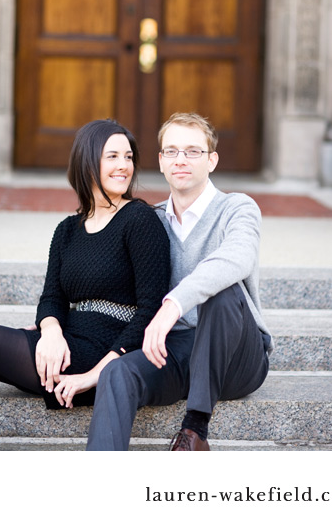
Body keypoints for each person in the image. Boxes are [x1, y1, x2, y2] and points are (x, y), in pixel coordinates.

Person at [86, 112, 273, 451]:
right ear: (161, 161)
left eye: (193, 151)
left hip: (237, 356)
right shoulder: (151, 220)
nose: (181, 160)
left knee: (223, 289)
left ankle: (195, 430)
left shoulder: (237, 208)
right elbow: (112, 284)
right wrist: (50, 323)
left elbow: (237, 258)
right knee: (117, 373)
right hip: (177, 351)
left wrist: (174, 303)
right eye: (171, 151)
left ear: (212, 160)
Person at [0, 119, 170, 411]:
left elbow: (150, 311)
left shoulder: (140, 220)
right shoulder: (67, 230)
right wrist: (50, 331)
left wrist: (95, 375)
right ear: (87, 162)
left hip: (106, 351)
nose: (124, 166)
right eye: (112, 156)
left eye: (128, 157)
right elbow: (52, 297)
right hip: (65, 341)